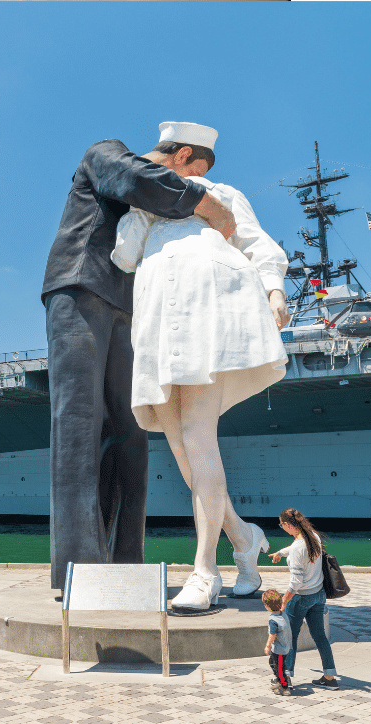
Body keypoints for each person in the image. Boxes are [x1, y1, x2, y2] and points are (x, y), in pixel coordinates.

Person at [42, 121, 237, 591]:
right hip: (80, 287)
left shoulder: (156, 204)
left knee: (131, 432)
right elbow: (140, 179)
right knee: (78, 427)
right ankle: (80, 571)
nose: (196, 186)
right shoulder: (106, 152)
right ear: (182, 154)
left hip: (130, 307)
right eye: (194, 173)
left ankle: (126, 562)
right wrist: (214, 208)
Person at [110, 123, 289, 609]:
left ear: (186, 156)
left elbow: (258, 244)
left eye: (160, 157)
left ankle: (204, 570)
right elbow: (126, 257)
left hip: (208, 315)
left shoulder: (221, 193)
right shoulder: (147, 204)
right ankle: (245, 540)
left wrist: (274, 288)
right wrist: (137, 208)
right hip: (159, 323)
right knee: (184, 450)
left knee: (197, 436)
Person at [268, 508, 339, 689]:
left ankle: (286, 677)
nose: (282, 528)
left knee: (289, 637)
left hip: (301, 598)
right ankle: (330, 677)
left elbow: (296, 581)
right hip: (319, 595)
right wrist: (280, 553)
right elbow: (295, 548)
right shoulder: (313, 536)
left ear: (287, 525)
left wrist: (285, 599)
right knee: (320, 636)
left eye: (281, 525)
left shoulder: (299, 547)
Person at [263, 588, 292, 696]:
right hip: (286, 647)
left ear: (267, 606)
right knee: (273, 663)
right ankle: (280, 681)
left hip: (279, 650)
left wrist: (267, 646)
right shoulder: (283, 614)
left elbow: (273, 635)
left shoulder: (273, 620)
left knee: (280, 669)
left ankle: (284, 687)